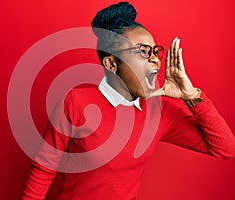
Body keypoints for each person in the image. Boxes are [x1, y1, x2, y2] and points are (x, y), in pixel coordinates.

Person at [22, 2, 235, 199]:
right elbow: (43, 170)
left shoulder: (158, 111)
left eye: (154, 52)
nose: (153, 59)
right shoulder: (76, 102)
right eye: (142, 51)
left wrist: (191, 96)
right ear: (112, 64)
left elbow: (226, 149)